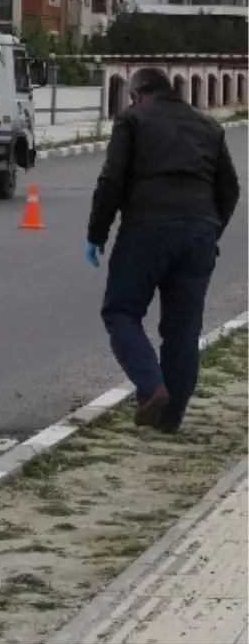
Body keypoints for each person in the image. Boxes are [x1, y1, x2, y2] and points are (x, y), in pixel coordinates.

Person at [87, 67, 240, 432]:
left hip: (146, 228)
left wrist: (97, 233)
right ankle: (170, 421)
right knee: (183, 330)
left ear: (138, 94)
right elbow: (230, 188)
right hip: (200, 232)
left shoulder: (132, 120)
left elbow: (112, 179)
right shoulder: (208, 126)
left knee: (121, 312)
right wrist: (210, 230)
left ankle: (152, 385)